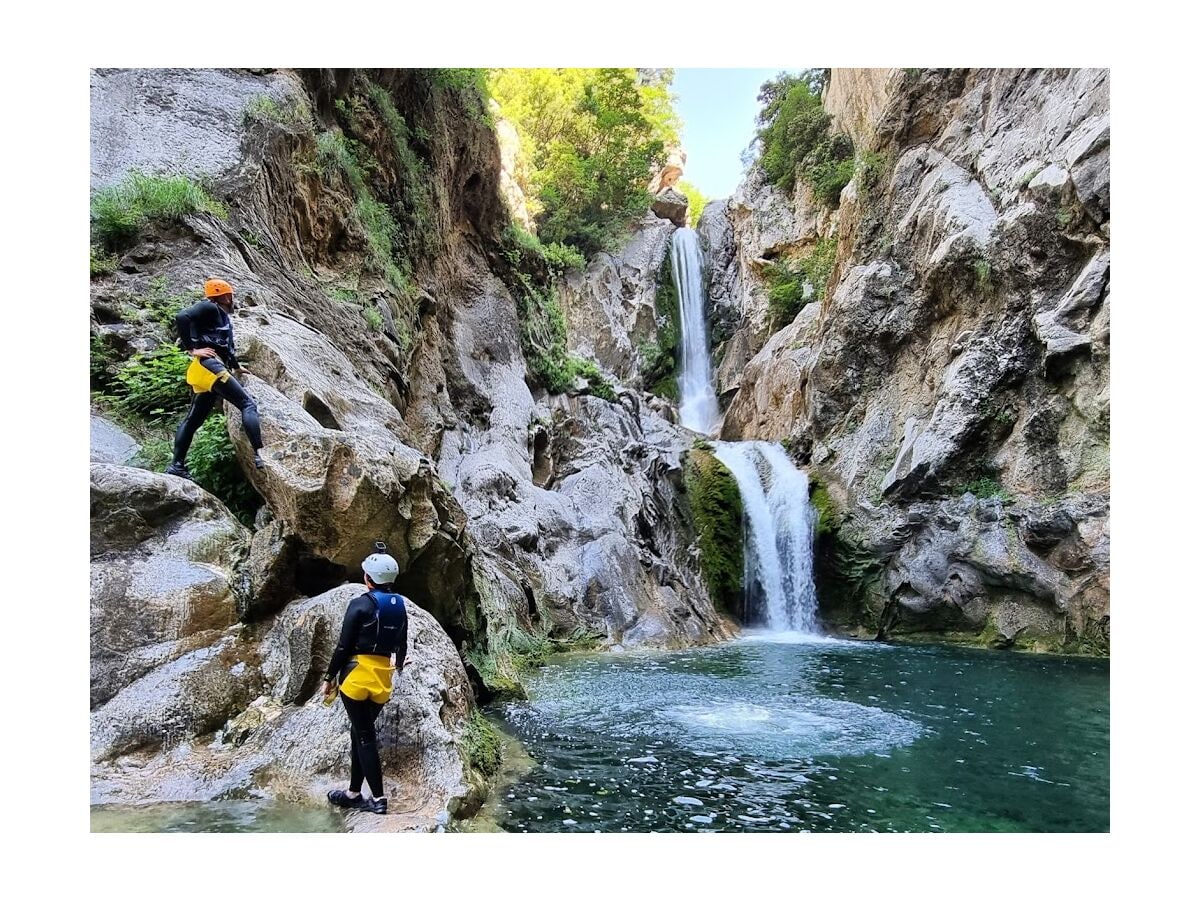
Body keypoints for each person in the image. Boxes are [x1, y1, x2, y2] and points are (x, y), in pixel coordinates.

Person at [323, 543, 410, 815]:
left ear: (367, 578)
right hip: (382, 678)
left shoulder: (360, 604)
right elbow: (401, 644)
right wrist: (398, 668)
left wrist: (328, 677)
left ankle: (379, 799)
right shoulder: (399, 606)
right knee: (359, 733)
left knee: (364, 736)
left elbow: (343, 646)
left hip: (357, 677)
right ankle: (353, 792)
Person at [166, 278, 265, 479]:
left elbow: (223, 346)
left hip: (203, 370)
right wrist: (193, 349)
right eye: (231, 296)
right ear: (226, 296)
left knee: (193, 420)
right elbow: (181, 317)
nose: (233, 300)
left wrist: (236, 366)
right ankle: (261, 454)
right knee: (248, 405)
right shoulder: (210, 307)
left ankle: (177, 466)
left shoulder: (219, 317)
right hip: (209, 367)